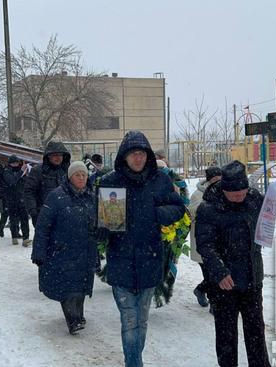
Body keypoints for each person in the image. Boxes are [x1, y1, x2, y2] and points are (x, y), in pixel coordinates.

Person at [99, 131, 186, 367]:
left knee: (142, 321)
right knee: (129, 321)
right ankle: (134, 363)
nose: (137, 158)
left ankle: (134, 360)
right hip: (121, 261)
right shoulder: (111, 182)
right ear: (124, 157)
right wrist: (103, 225)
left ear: (147, 156)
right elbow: (105, 226)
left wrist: (157, 214)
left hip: (150, 259)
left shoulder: (160, 180)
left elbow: (179, 208)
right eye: (133, 154)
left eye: (141, 154)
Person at [196, 160, 270, 367]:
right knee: (226, 337)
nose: (240, 196)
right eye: (234, 193)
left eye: (243, 190)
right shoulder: (209, 208)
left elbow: (270, 213)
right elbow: (205, 245)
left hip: (252, 279)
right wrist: (220, 272)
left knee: (256, 332)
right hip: (223, 285)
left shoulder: (254, 198)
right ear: (224, 189)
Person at [31, 161, 98, 335]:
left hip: (85, 250)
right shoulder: (56, 197)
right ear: (70, 177)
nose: (82, 178)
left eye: (84, 174)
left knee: (82, 285)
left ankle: (78, 315)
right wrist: (39, 252)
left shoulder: (92, 196)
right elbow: (43, 225)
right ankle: (73, 319)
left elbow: (100, 220)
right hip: (62, 251)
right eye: (77, 175)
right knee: (67, 286)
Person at [188, 166, 222, 311]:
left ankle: (201, 290)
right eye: (215, 179)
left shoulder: (224, 192)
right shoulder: (197, 194)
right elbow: (191, 213)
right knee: (211, 274)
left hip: (219, 241)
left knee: (216, 273)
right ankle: (215, 304)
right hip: (202, 242)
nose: (218, 182)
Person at [24, 141, 71, 227]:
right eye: (55, 155)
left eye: (60, 155)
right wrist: (33, 211)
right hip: (44, 214)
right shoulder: (38, 171)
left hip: (65, 215)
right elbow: (29, 192)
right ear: (49, 156)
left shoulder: (67, 171)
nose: (58, 158)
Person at [2, 155, 31, 246]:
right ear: (10, 163)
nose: (15, 164)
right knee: (13, 220)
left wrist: (26, 175)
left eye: (17, 163)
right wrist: (22, 172)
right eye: (13, 163)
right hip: (11, 200)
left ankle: (26, 238)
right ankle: (14, 237)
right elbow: (12, 181)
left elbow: (26, 183)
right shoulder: (6, 171)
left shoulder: (21, 171)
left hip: (22, 199)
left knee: (24, 220)